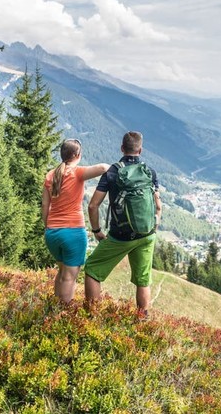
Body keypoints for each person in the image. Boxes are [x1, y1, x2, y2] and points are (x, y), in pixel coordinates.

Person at [84, 131, 162, 315]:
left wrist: (97, 230)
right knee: (143, 279)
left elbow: (93, 205)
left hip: (120, 236)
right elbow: (158, 206)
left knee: (93, 269)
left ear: (122, 148)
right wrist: (154, 227)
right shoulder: (149, 172)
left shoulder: (112, 172)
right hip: (147, 234)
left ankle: (91, 316)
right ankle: (143, 321)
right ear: (140, 150)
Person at [42, 138, 109, 303]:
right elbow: (103, 168)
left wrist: (47, 227)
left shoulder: (50, 175)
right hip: (73, 233)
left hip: (52, 233)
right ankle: (63, 315)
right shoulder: (77, 172)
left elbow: (45, 205)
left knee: (62, 272)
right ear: (77, 154)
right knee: (69, 278)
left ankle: (55, 307)